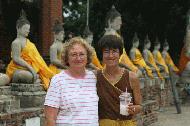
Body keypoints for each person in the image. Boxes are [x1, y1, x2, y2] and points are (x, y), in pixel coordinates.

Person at [44, 37, 99, 126]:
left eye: (82, 54)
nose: (78, 58)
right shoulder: (58, 80)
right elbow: (50, 118)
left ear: (87, 57)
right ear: (66, 58)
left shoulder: (94, 78)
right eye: (73, 54)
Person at [97, 35, 142, 126]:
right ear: (101, 54)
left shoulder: (131, 77)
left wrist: (132, 109)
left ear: (120, 54)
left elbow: (139, 106)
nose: (110, 56)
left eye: (114, 51)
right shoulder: (95, 77)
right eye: (106, 52)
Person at [6, 10, 54, 90]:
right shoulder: (16, 42)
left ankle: (37, 78)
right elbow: (16, 58)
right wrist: (30, 68)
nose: (28, 31)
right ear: (18, 28)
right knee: (23, 75)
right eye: (25, 29)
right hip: (17, 69)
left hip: (30, 69)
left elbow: (37, 58)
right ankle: (36, 79)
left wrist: (33, 69)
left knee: (35, 75)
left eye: (29, 29)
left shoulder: (30, 43)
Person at [104, 5, 141, 76]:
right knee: (136, 74)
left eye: (121, 20)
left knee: (139, 72)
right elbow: (113, 57)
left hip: (124, 63)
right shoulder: (110, 35)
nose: (120, 23)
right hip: (116, 65)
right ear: (110, 22)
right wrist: (128, 68)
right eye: (118, 20)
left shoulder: (115, 34)